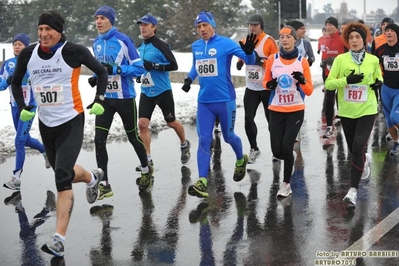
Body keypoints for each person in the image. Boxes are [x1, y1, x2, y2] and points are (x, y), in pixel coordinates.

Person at [11, 9, 109, 257]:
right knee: (62, 172)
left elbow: (102, 72)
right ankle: (92, 178)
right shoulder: (28, 54)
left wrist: (100, 98)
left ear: (58, 31)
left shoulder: (73, 51)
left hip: (71, 120)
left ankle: (59, 240)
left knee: (61, 177)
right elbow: (15, 81)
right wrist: (23, 107)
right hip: (46, 123)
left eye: (49, 30)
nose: (44, 34)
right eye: (40, 29)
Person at [182, 10, 257, 198]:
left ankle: (241, 159)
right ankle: (202, 182)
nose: (201, 29)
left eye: (204, 25)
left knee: (228, 137)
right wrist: (189, 78)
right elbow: (196, 65)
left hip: (225, 100)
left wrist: (249, 53)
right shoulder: (196, 46)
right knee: (204, 140)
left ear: (212, 26)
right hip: (204, 102)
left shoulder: (226, 43)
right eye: (198, 27)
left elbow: (250, 60)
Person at [90, 6, 153, 197]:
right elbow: (100, 68)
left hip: (125, 98)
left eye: (102, 18)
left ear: (111, 21)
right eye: (96, 18)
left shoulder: (123, 40)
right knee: (99, 140)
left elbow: (139, 69)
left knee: (133, 137)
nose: (98, 21)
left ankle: (145, 170)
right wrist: (95, 77)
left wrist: (117, 70)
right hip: (105, 100)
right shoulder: (95, 44)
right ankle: (105, 185)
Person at [325, 22, 382, 207]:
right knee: (353, 149)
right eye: (351, 38)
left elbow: (378, 77)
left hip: (367, 109)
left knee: (358, 147)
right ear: (347, 41)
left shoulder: (373, 60)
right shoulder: (340, 60)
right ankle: (364, 161)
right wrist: (346, 80)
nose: (355, 40)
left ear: (364, 39)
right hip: (348, 112)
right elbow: (328, 84)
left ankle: (353, 190)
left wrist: (378, 84)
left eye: (358, 37)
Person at [262, 26, 313, 198]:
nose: (284, 40)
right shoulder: (272, 59)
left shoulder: (302, 61)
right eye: (281, 37)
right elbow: (266, 80)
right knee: (277, 151)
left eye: (288, 37)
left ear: (294, 40)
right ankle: (288, 154)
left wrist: (302, 80)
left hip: (295, 110)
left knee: (286, 145)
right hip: (276, 109)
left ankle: (286, 184)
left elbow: (309, 89)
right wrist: (269, 85)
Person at [136, 14, 191, 168]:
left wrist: (154, 66)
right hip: (146, 92)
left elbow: (174, 65)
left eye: (146, 24)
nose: (143, 27)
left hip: (163, 91)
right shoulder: (139, 47)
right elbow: (141, 66)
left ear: (154, 27)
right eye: (141, 25)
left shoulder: (160, 45)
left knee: (171, 122)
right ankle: (148, 158)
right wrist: (140, 75)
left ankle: (184, 144)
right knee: (142, 124)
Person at [0, 33, 50, 191]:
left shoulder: (33, 62)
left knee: (19, 141)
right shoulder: (7, 64)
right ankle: (46, 152)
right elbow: (0, 85)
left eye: (20, 44)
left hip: (29, 107)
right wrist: (7, 81)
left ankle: (16, 178)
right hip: (15, 106)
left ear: (26, 47)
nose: (16, 46)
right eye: (15, 44)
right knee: (25, 139)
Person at [236, 14, 278, 164]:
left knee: (271, 121)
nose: (252, 27)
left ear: (261, 25)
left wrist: (262, 62)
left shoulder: (269, 41)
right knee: (248, 118)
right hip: (251, 88)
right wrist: (240, 62)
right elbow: (242, 54)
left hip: (266, 88)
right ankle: (254, 148)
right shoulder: (244, 40)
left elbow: (276, 62)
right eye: (250, 25)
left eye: (255, 24)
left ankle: (276, 151)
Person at [374, 23, 399, 156]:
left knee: (396, 117)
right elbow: (373, 65)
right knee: (389, 120)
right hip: (386, 88)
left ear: (396, 33)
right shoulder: (381, 50)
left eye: (392, 31)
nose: (389, 33)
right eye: (387, 31)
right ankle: (397, 142)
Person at [320, 17, 347, 138]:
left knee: (341, 99)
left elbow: (348, 55)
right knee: (329, 100)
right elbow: (324, 54)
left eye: (331, 25)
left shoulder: (342, 39)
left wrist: (336, 60)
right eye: (327, 25)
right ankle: (329, 127)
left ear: (336, 26)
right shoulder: (325, 39)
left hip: (341, 76)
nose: (328, 27)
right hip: (328, 74)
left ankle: (344, 119)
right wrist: (323, 63)